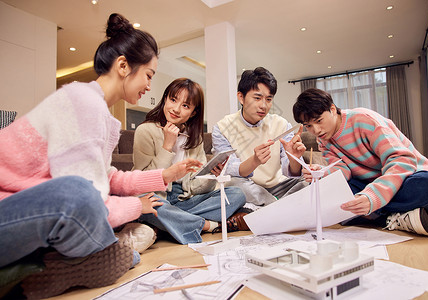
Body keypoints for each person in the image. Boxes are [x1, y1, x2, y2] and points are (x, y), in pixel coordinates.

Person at [0, 13, 201, 299]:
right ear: (123, 66)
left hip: (33, 209)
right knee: (80, 196)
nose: (149, 86)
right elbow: (88, 195)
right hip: (11, 207)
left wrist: (165, 175)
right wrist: (136, 207)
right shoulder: (82, 101)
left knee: (90, 200)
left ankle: (95, 254)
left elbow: (108, 177)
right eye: (148, 75)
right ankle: (97, 255)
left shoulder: (101, 114)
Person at [293, 88, 428, 236]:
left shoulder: (364, 120)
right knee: (333, 192)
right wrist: (321, 171)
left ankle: (377, 216)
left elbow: (402, 161)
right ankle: (399, 217)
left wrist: (373, 197)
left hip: (407, 178)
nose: (316, 130)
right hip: (370, 185)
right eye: (309, 126)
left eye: (319, 121)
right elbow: (343, 171)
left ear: (332, 109)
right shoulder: (323, 141)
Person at [133, 78, 247, 245]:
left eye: (186, 106)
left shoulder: (195, 139)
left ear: (193, 112)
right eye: (173, 100)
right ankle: (209, 225)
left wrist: (211, 176)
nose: (176, 109)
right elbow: (143, 181)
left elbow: (195, 186)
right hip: (157, 196)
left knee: (237, 194)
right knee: (145, 203)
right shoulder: (145, 131)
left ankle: (171, 224)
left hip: (185, 199)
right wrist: (167, 146)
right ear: (165, 99)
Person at [212, 67, 308, 207]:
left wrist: (294, 159)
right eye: (257, 98)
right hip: (248, 187)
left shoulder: (281, 124)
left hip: (279, 186)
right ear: (241, 97)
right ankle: (281, 206)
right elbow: (230, 169)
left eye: (269, 99)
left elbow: (291, 172)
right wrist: (255, 161)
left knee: (307, 182)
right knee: (234, 184)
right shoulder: (222, 128)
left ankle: (267, 207)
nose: (264, 106)